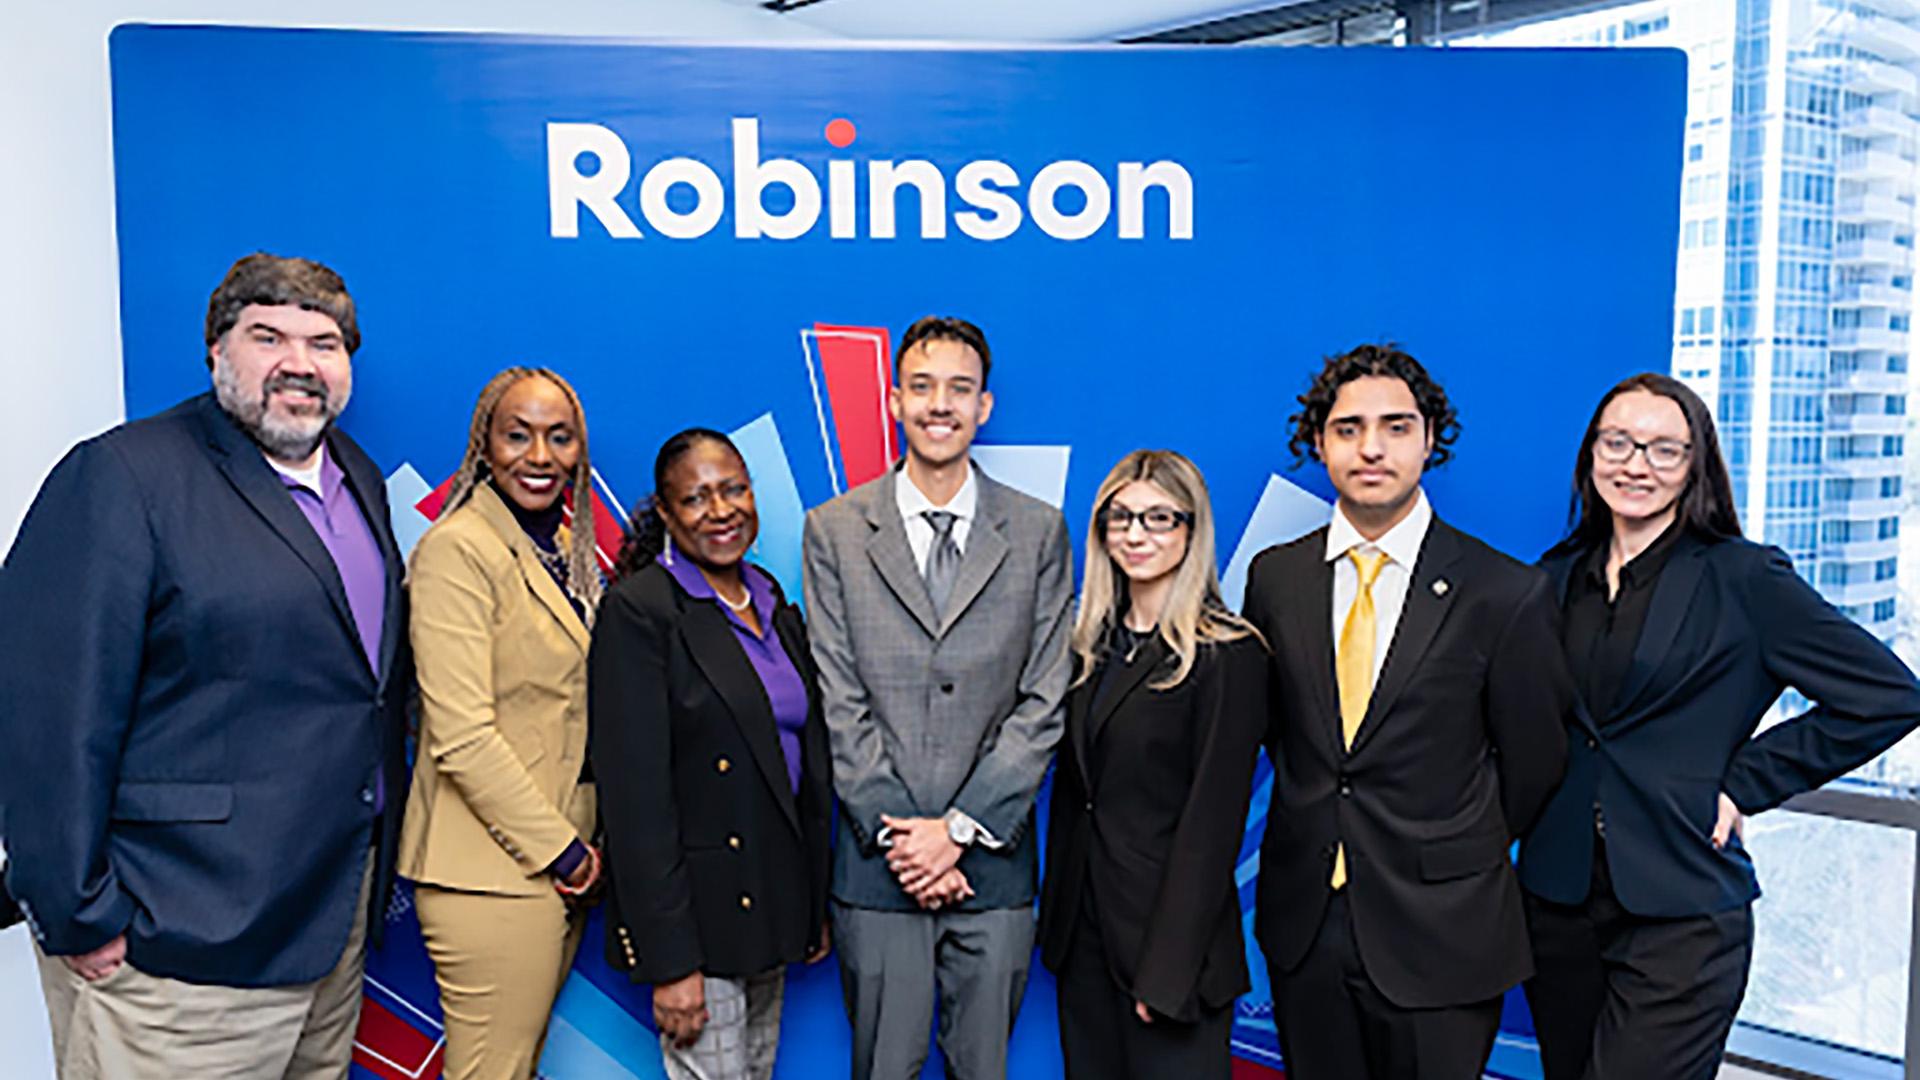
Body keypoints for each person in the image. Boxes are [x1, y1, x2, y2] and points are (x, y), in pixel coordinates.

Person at [0, 253, 410, 1078]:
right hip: (176, 947)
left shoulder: (356, 480)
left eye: (324, 343)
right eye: (269, 336)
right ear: (216, 351)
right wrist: (78, 912)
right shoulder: (123, 476)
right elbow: (47, 711)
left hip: (326, 937)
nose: (300, 363)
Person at [1520, 372, 1920, 1080]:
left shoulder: (1745, 579)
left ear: (1694, 467)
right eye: (1618, 443)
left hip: (1682, 910)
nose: (1636, 464)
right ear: (1590, 456)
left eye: (1663, 450)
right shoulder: (1552, 578)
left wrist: (1745, 782)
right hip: (1558, 901)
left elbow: (1889, 694)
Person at [1241, 343, 1571, 1080]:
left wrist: (1446, 841)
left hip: (1443, 931)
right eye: (1348, 428)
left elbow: (1535, 760)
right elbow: (1279, 737)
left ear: (1429, 439)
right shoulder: (1276, 577)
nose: (1371, 448)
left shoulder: (1503, 591)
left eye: (1395, 427)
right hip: (1306, 926)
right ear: (1319, 443)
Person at [803, 316, 1073, 1080]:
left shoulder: (1037, 530)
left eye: (959, 388)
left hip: (991, 868)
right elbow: (839, 697)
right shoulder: (834, 531)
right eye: (921, 387)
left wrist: (957, 830)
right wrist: (909, 842)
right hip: (878, 871)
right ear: (894, 401)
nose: (939, 405)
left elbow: (1044, 697)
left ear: (984, 407)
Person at [590, 428, 832, 1080]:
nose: (721, 510)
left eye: (733, 489)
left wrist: (810, 907)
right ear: (666, 515)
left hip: (772, 907)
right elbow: (634, 801)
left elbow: (801, 769)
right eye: (696, 499)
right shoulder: (640, 613)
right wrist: (671, 962)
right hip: (699, 921)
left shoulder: (774, 601)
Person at [398, 367, 605, 1080]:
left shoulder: (563, 551)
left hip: (548, 859)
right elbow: (460, 733)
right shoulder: (460, 549)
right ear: (484, 445)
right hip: (493, 869)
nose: (539, 456)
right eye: (518, 436)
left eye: (559, 437)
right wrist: (563, 853)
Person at [1038, 450, 1267, 1080]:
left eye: (1160, 518)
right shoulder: (1091, 645)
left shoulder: (1227, 652)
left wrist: (1166, 973)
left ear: (1192, 531)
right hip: (1083, 938)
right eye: (1121, 518)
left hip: (1171, 957)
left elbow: (1212, 826)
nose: (1136, 535)